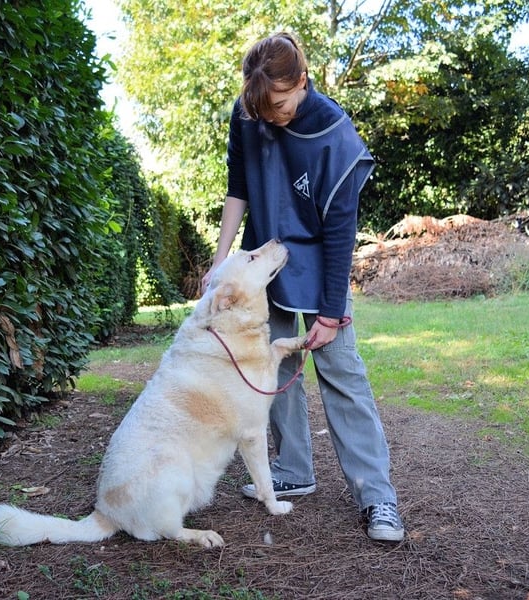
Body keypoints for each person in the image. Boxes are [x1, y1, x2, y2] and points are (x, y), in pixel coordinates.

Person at [201, 32, 404, 542]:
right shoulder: (249, 112)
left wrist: (332, 312)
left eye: (282, 105)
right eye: (264, 108)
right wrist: (220, 260)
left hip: (319, 261)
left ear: (303, 81)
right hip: (266, 260)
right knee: (273, 361)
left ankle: (377, 496)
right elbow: (239, 187)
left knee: (342, 374)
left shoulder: (336, 134)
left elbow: (340, 234)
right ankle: (293, 469)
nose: (272, 116)